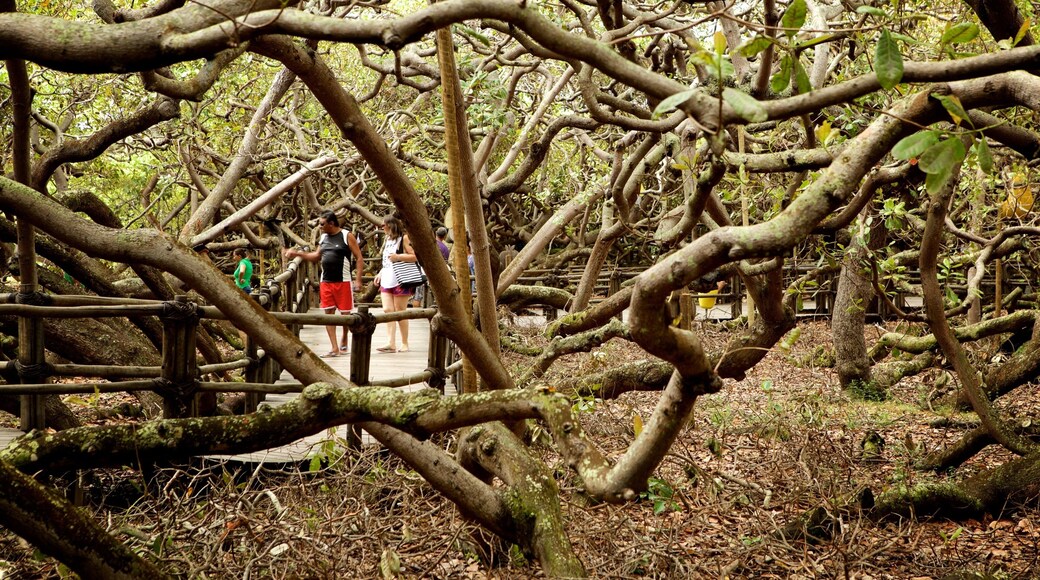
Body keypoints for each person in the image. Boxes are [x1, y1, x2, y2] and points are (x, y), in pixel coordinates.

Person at [283, 210, 364, 358]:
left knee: (345, 315)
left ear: (331, 224)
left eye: (322, 224)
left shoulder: (347, 236)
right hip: (326, 282)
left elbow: (359, 258)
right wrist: (297, 254)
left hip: (343, 281)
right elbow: (316, 256)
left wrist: (358, 280)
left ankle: (345, 336)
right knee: (329, 314)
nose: (319, 227)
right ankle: (334, 347)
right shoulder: (324, 237)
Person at [374, 215, 416, 353]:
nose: (382, 227)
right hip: (387, 277)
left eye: (383, 225)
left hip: (401, 278)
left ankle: (404, 342)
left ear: (391, 225)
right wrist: (380, 273)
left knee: (400, 311)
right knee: (387, 310)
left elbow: (416, 256)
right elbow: (387, 261)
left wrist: (398, 257)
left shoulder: (404, 238)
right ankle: (390, 342)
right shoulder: (387, 239)